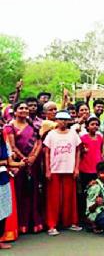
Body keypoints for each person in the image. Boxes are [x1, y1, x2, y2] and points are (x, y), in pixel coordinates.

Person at [4, 102, 43, 234]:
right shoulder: (10, 127)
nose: (24, 110)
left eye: (26, 108)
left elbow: (38, 142)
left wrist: (33, 157)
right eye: (21, 108)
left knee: (34, 192)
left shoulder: (32, 125)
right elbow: (12, 146)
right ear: (14, 111)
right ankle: (21, 225)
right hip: (18, 164)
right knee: (21, 193)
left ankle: (34, 223)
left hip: (33, 164)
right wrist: (24, 159)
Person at [43, 110, 83, 236]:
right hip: (55, 169)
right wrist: (48, 170)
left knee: (70, 197)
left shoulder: (73, 134)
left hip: (69, 169)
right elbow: (47, 153)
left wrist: (76, 168)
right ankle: (52, 224)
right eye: (61, 119)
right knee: (53, 199)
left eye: (66, 120)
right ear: (56, 120)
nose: (63, 122)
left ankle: (71, 222)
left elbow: (78, 151)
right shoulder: (51, 134)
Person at [0, 129, 26, 250]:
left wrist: (20, 163)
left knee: (4, 211)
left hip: (3, 179)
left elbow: (9, 162)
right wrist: (4, 162)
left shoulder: (2, 143)